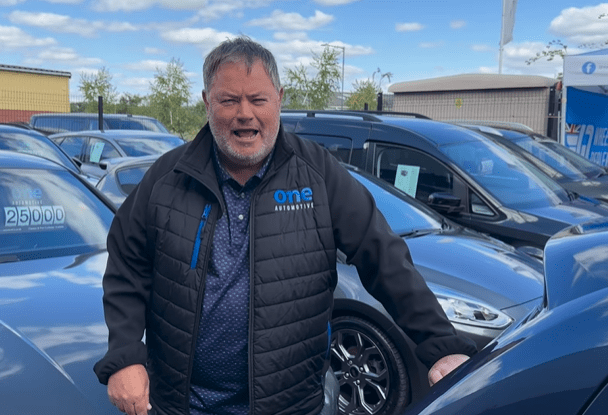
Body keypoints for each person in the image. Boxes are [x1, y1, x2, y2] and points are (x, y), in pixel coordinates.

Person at [94, 35, 477, 415]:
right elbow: (127, 264)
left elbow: (384, 256)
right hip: (182, 406)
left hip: (292, 406)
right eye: (229, 100)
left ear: (279, 98)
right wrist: (125, 354)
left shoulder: (318, 174)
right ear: (207, 102)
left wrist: (441, 345)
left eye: (258, 99)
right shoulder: (167, 177)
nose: (245, 113)